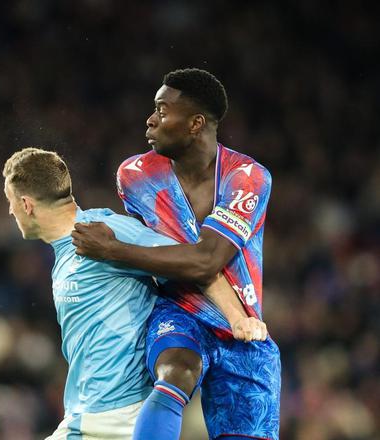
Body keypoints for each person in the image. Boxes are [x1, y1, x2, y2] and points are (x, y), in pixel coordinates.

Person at [71, 68, 281, 440]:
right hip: (177, 309)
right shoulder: (135, 175)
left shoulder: (247, 177)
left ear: (195, 124)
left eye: (162, 111)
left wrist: (112, 250)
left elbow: (207, 261)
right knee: (176, 371)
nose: (150, 120)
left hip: (244, 330)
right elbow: (153, 248)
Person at [3, 147, 266, 440]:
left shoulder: (106, 233)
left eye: (10, 201)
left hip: (118, 419)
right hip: (86, 416)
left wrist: (238, 318)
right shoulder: (68, 248)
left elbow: (195, 265)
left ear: (26, 204)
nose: (10, 210)